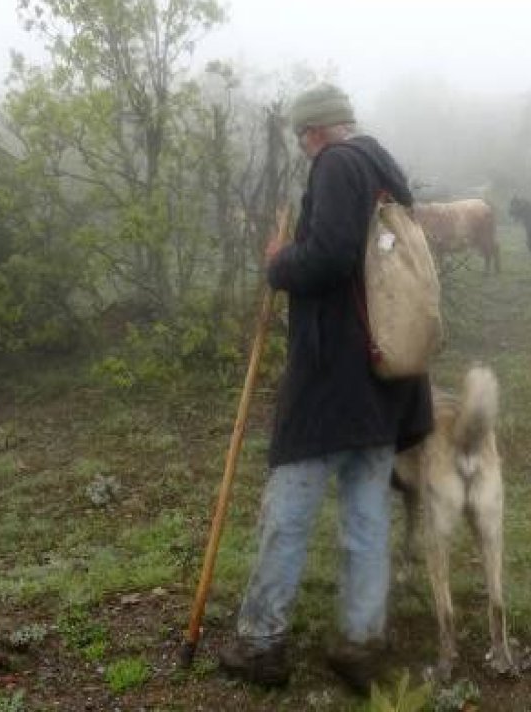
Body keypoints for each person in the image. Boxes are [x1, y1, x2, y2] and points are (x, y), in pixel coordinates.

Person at [217, 83, 433, 694]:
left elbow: (333, 255)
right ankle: (359, 646)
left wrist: (279, 262)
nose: (302, 144)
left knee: (288, 508)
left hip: (333, 380)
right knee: (366, 513)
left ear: (314, 131)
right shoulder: (381, 169)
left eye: (300, 134)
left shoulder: (336, 166)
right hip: (383, 381)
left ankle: (262, 645)